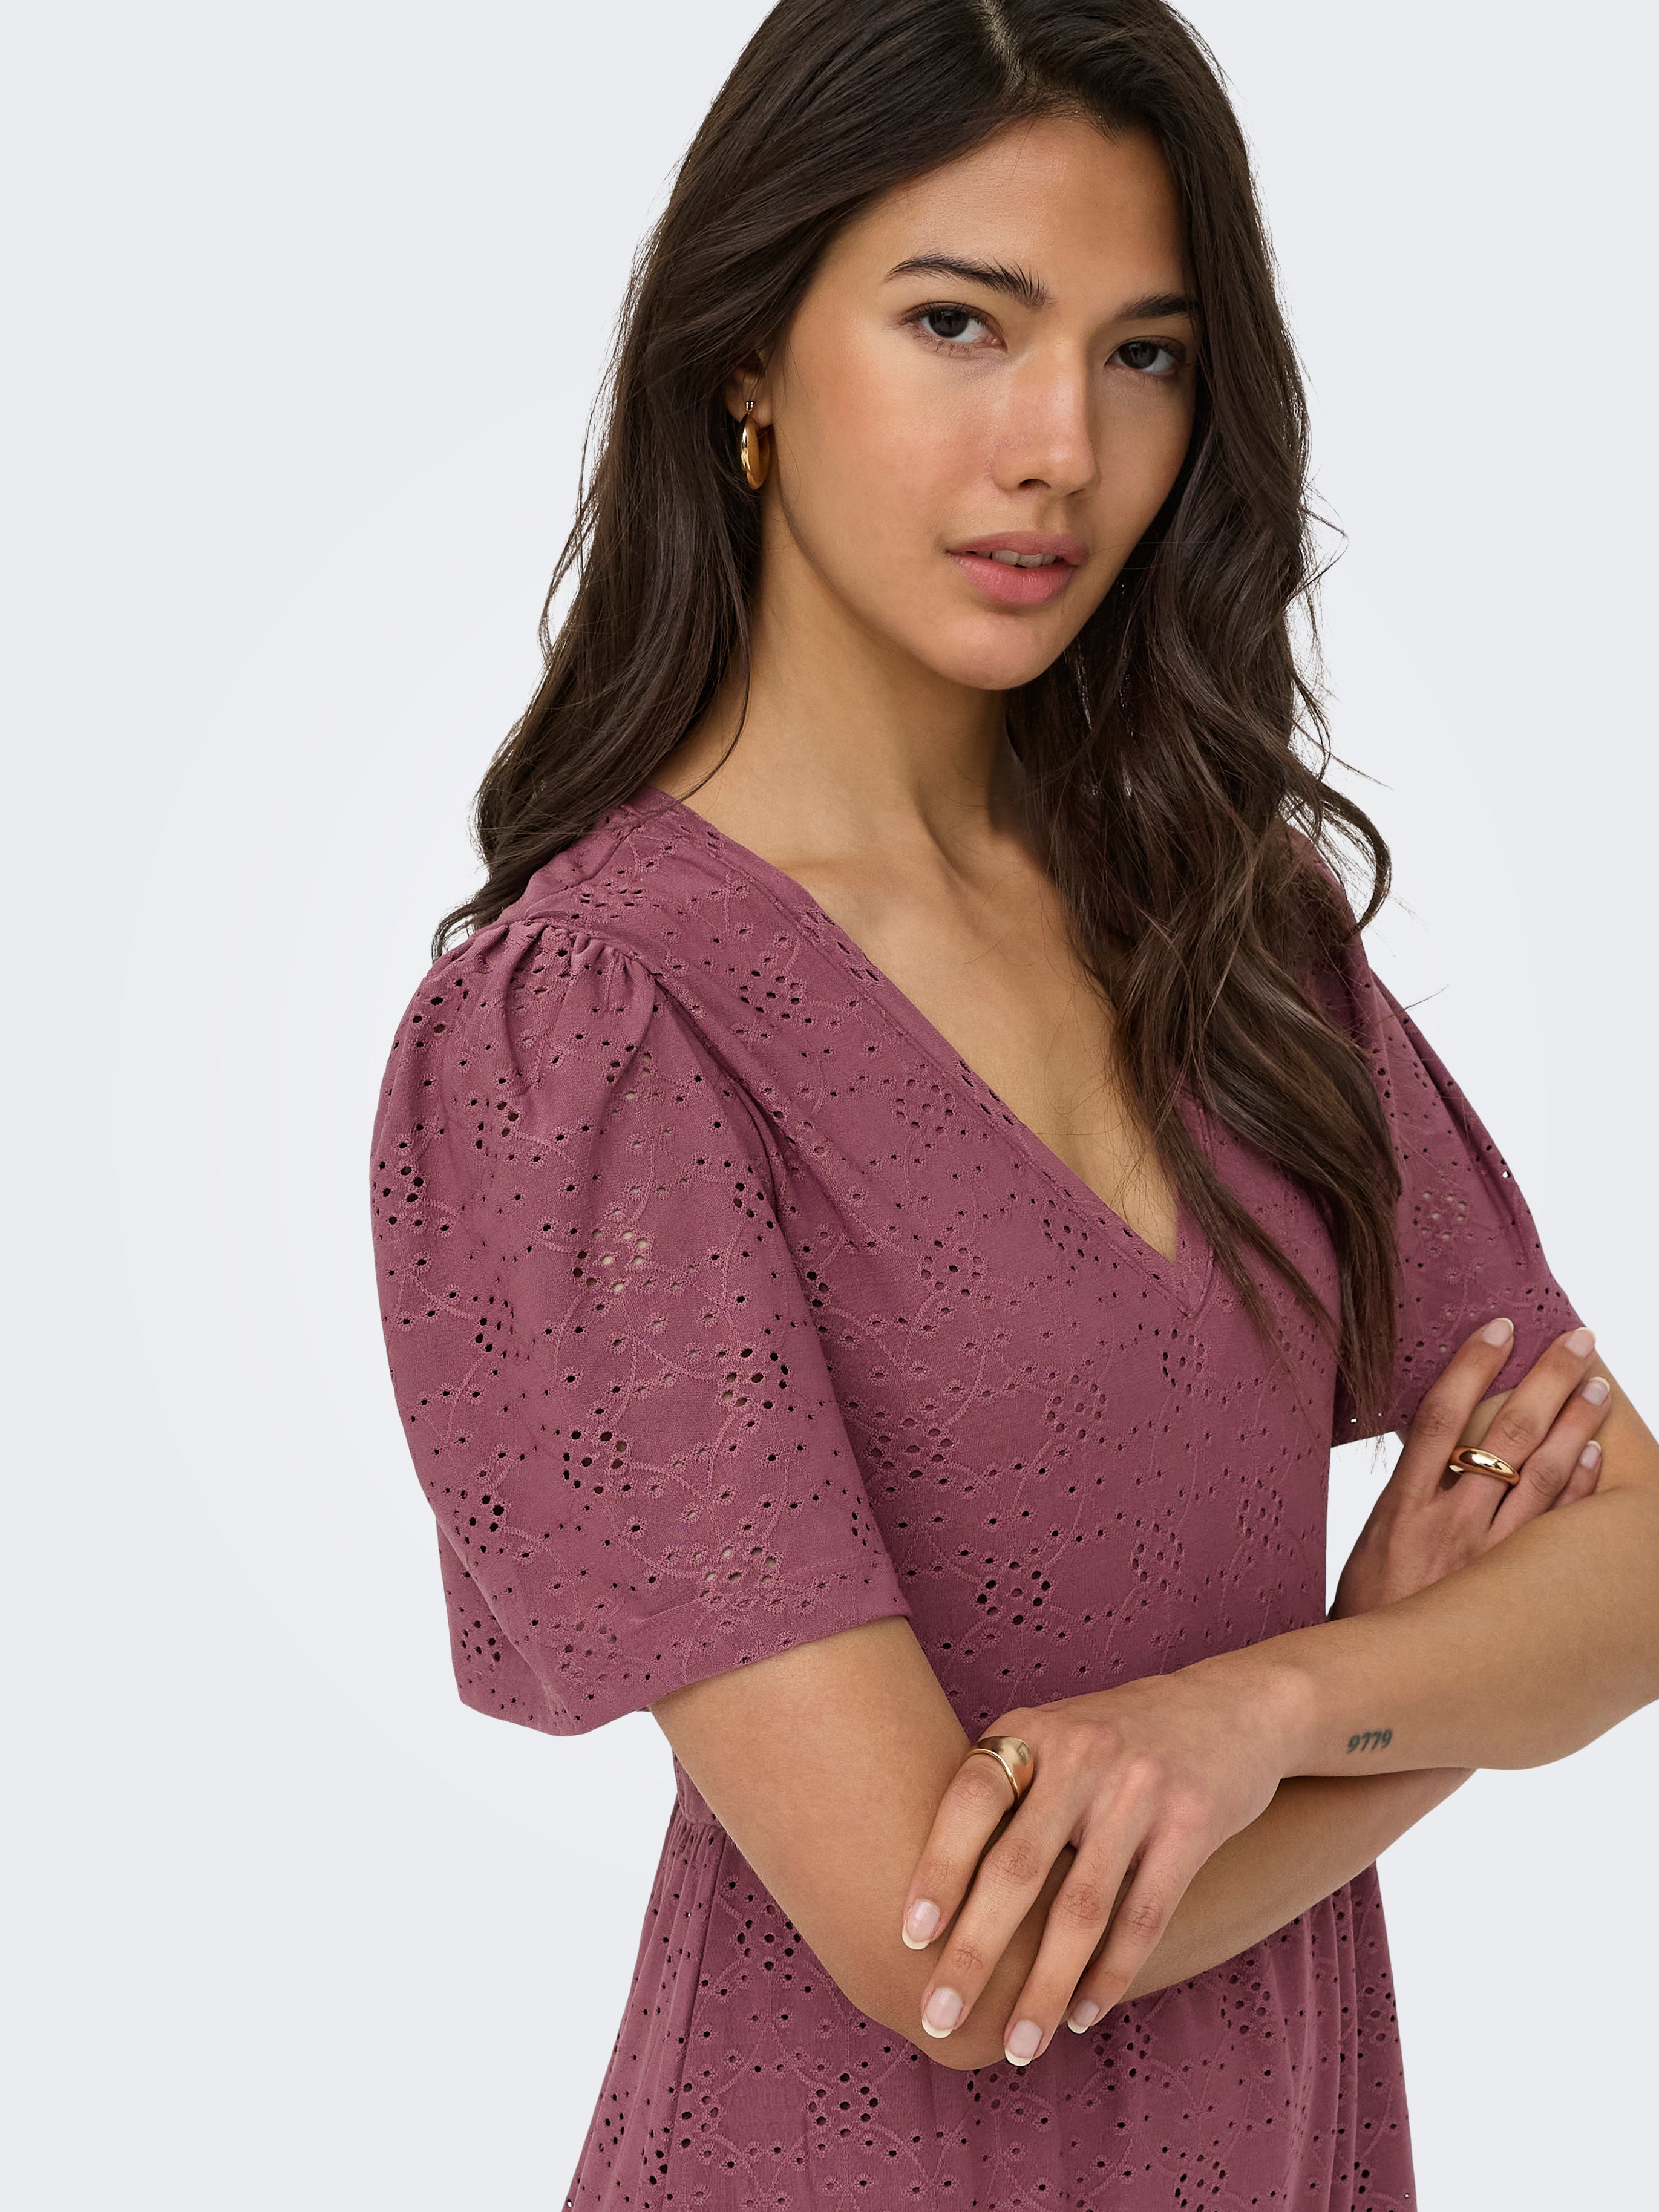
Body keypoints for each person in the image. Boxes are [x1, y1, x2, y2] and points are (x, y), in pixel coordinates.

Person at [368, 2, 1659, 2204]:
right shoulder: (590, 1038)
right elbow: (940, 1955)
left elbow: (1624, 1562)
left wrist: (1253, 1715)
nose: (1060, 444)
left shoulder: (1230, 931)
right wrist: (1412, 1678)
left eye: (1144, 354)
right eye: (960, 322)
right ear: (747, 355)